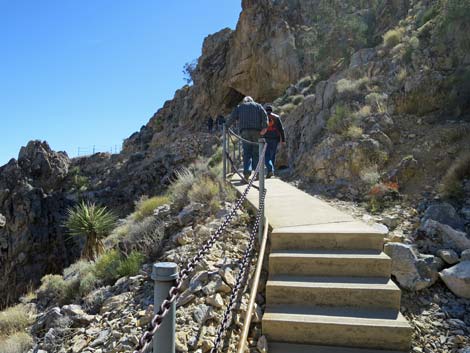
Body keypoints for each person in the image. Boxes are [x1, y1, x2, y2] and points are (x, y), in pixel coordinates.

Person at [226, 96, 268, 180]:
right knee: (256, 152)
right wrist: (264, 127)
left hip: (244, 132)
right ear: (252, 100)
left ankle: (247, 173)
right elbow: (265, 115)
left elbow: (232, 117)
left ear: (244, 101)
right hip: (257, 131)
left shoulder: (240, 107)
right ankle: (258, 173)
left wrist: (226, 126)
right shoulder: (258, 106)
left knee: (247, 152)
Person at [262, 105, 286, 178]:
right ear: (271, 110)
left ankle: (270, 170)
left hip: (265, 138)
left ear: (265, 110)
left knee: (266, 155)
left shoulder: (263, 117)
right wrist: (283, 140)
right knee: (272, 155)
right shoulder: (277, 117)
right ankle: (271, 171)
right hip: (275, 138)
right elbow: (281, 129)